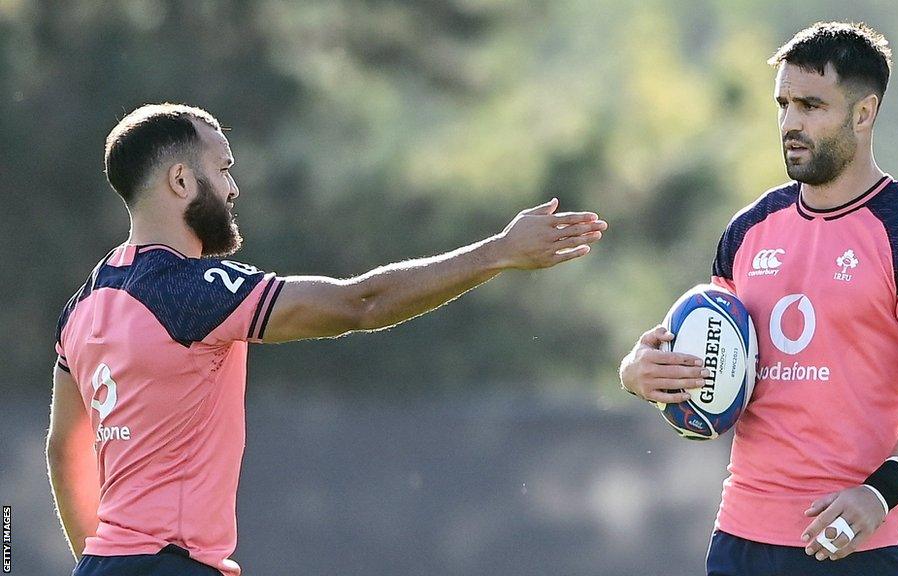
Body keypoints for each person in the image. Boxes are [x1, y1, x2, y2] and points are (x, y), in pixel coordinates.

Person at [47, 103, 607, 576]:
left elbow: (61, 448)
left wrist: (101, 561)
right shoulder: (192, 293)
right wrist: (499, 252)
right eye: (223, 169)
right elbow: (358, 304)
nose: (233, 187)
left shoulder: (82, 305)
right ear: (180, 181)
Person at [619, 22, 898, 576]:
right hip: (741, 536)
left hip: (859, 544)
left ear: (864, 113)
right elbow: (714, 365)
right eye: (783, 104)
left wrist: (877, 496)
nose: (790, 123)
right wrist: (642, 372)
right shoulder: (748, 231)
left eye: (811, 105)